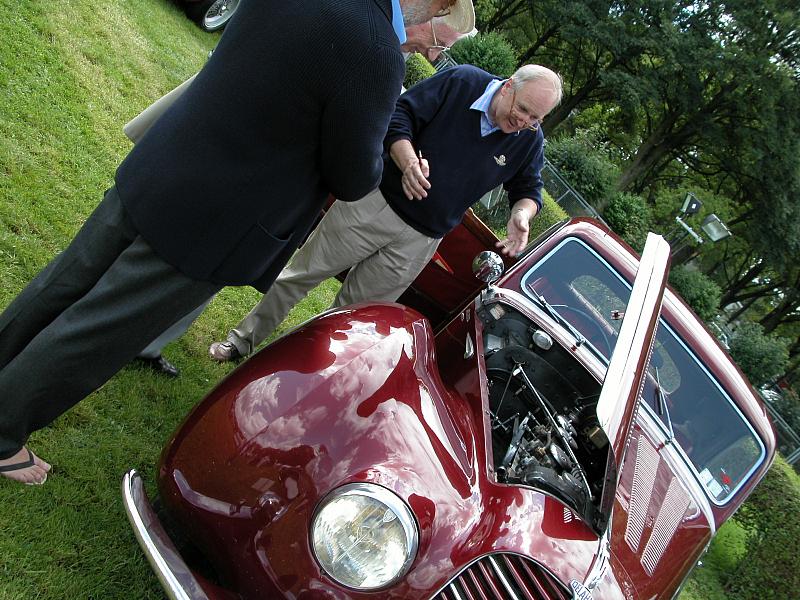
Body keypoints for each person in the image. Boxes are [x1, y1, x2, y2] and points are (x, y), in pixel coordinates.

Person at [0, 0, 474, 485]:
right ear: (440, 4)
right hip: (218, 215)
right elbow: (354, 176)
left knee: (64, 283)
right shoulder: (376, 50)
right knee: (99, 330)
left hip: (167, 159)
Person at [128, 13, 478, 377]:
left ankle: (155, 339)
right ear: (429, 16)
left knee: (207, 253)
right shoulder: (374, 42)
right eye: (439, 44)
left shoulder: (387, 46)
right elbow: (360, 132)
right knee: (196, 246)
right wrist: (383, 164)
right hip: (254, 150)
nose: (434, 57)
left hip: (257, 157)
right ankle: (141, 330)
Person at [209, 63, 563, 363]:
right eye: (523, 109)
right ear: (507, 87)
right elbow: (399, 114)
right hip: (375, 202)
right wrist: (407, 160)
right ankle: (241, 342)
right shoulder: (462, 82)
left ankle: (294, 375)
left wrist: (523, 215)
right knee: (300, 275)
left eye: (535, 118)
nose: (525, 121)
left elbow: (528, 189)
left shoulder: (529, 139)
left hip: (420, 241)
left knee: (351, 320)